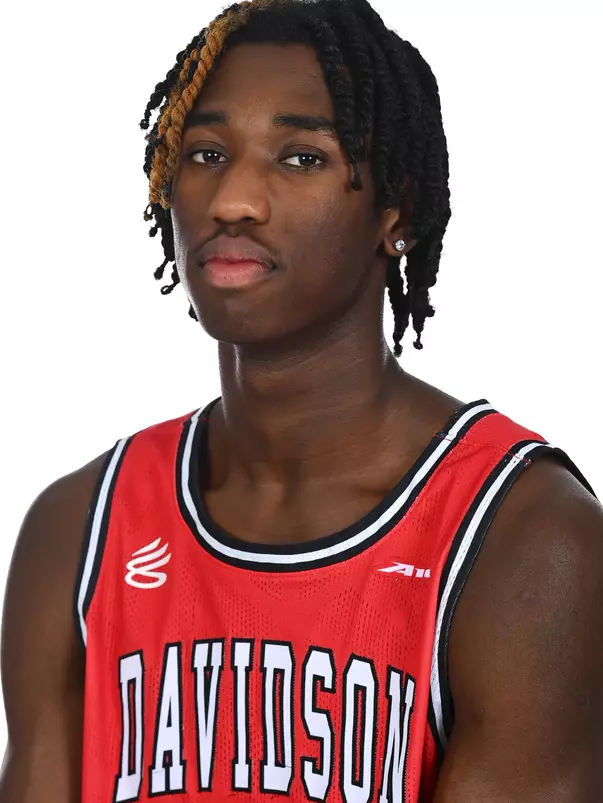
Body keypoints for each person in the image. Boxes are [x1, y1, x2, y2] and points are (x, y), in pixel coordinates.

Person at [1, 0, 602, 800]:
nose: (233, 201)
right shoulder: (78, 530)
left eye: (301, 158)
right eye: (207, 152)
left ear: (398, 212)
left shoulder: (526, 539)